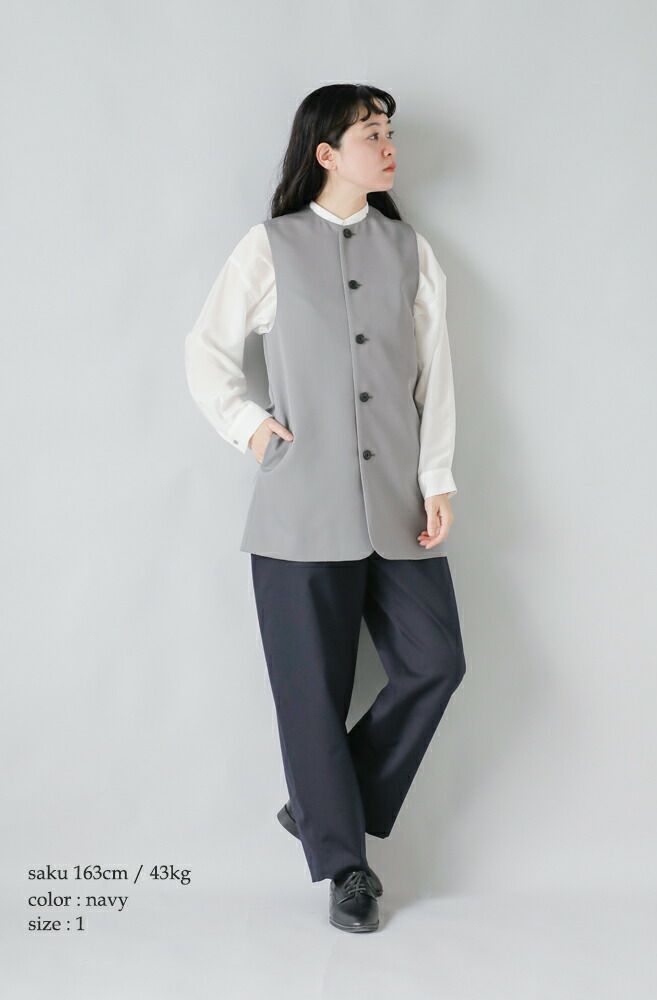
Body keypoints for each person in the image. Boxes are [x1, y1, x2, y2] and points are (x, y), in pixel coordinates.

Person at [184, 83, 466, 933]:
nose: (388, 145)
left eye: (389, 131)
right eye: (370, 133)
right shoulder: (270, 246)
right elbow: (206, 350)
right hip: (298, 510)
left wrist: (438, 477)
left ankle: (319, 802)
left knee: (436, 663)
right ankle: (347, 869)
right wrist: (250, 427)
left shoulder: (410, 250)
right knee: (310, 695)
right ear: (327, 153)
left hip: (399, 506)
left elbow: (436, 376)